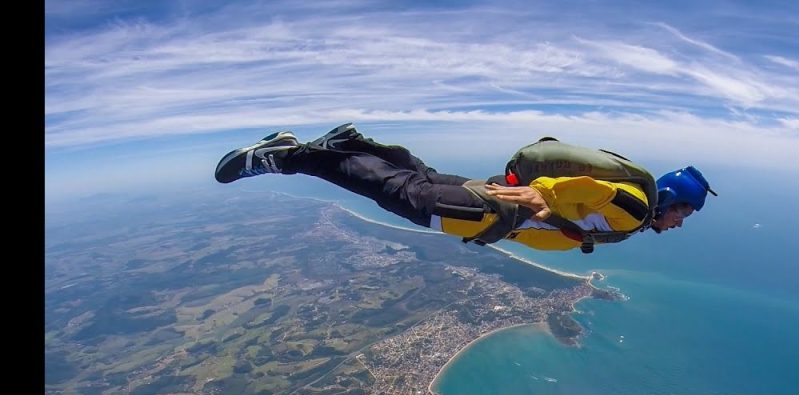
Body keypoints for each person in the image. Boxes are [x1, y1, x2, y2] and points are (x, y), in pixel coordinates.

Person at [214, 123, 715, 252]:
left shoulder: (633, 208)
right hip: (498, 211)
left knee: (419, 177)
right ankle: (287, 157)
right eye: (684, 214)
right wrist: (545, 194)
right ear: (672, 202)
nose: (678, 223)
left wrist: (545, 197)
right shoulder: (633, 208)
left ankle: (347, 143)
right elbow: (585, 189)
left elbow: (580, 199)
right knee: (403, 196)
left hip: (499, 196)